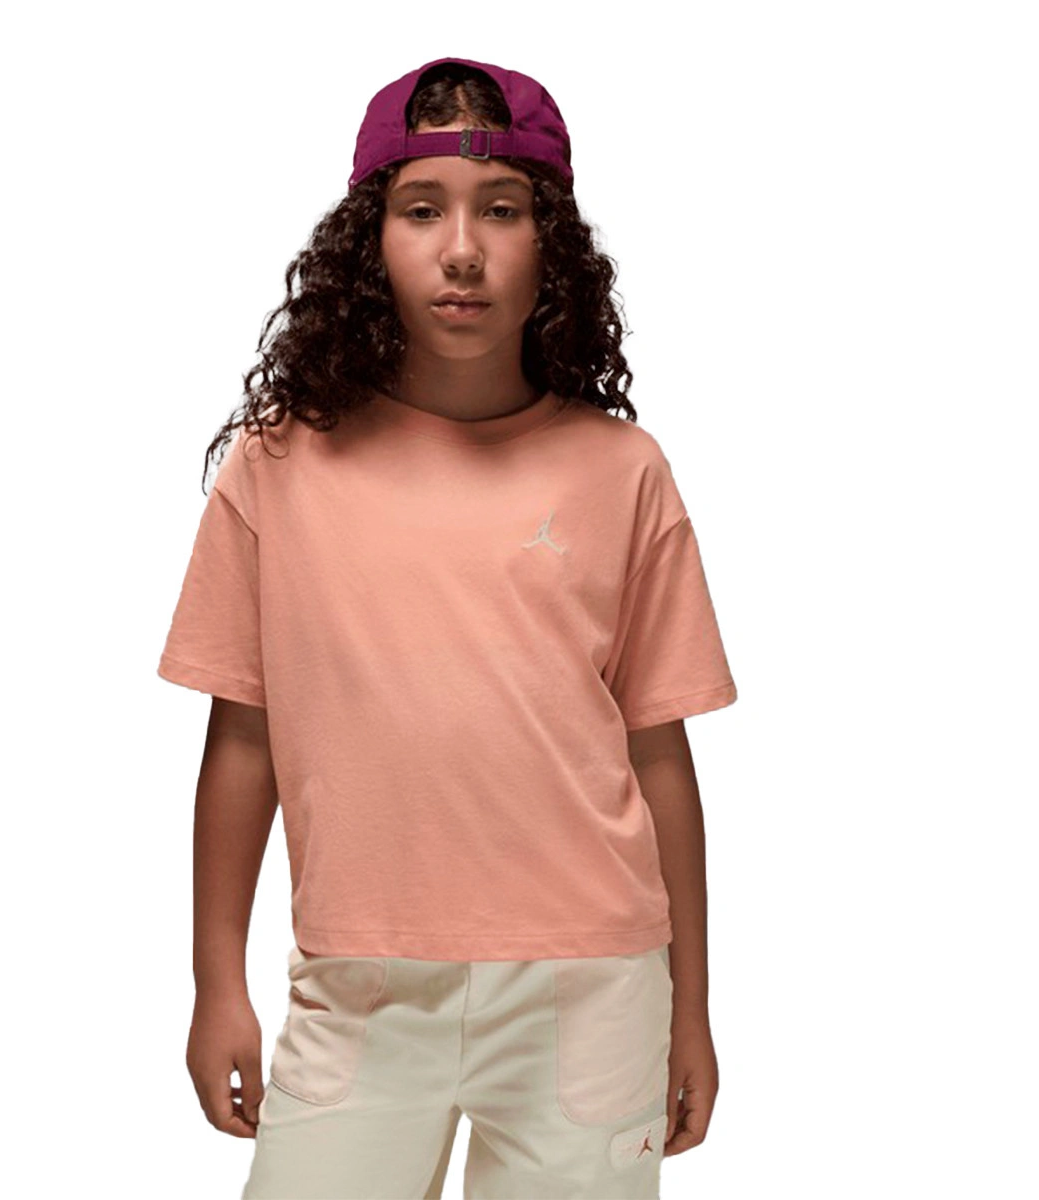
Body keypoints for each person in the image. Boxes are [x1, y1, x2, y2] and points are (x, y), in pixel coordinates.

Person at [156, 55, 738, 1200]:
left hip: (593, 988)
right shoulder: (278, 467)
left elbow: (658, 753)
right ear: (369, 242)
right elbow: (243, 738)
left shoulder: (622, 471)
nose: (461, 250)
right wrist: (215, 981)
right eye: (422, 210)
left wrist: (692, 1010)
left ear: (552, 246)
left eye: (502, 211)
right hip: (361, 985)